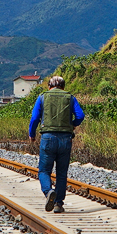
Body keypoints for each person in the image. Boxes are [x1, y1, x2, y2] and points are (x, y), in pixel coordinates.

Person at [28, 75, 84, 214]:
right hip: (65, 139)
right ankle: (58, 204)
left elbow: (35, 118)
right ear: (63, 87)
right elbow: (80, 115)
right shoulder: (70, 97)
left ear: (49, 86)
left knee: (44, 171)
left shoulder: (42, 97)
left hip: (48, 138)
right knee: (61, 173)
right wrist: (73, 125)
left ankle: (48, 192)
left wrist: (32, 134)